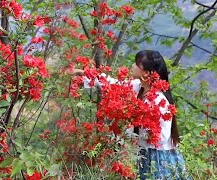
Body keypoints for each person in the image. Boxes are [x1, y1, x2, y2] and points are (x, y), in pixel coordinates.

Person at [68, 50, 190, 180]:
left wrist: (133, 133)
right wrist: (82, 72)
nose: (132, 66)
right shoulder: (139, 87)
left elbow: (162, 137)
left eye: (137, 64)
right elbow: (112, 83)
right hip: (143, 153)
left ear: (147, 73)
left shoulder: (159, 100)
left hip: (158, 158)